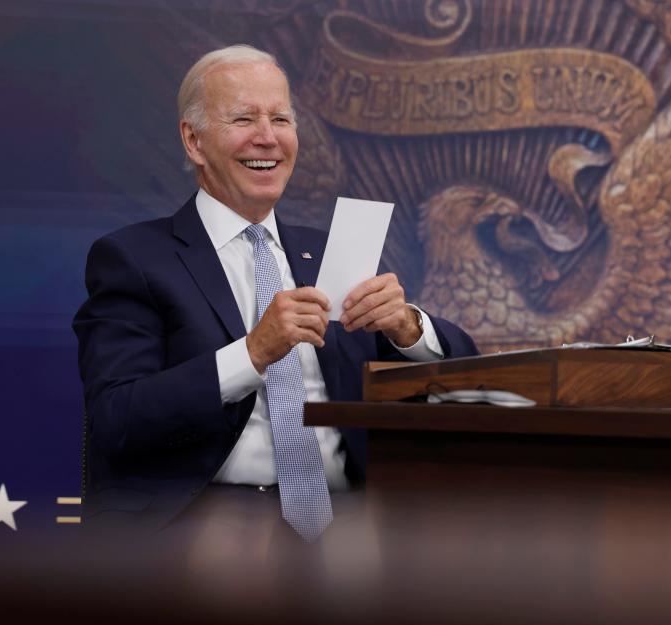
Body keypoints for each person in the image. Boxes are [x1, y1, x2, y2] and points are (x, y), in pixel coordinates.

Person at [72, 45, 478, 539]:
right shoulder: (134, 259)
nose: (267, 138)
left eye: (281, 119)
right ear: (194, 141)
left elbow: (468, 381)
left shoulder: (330, 252)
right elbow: (118, 418)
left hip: (350, 521)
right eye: (244, 118)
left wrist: (409, 329)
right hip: (206, 523)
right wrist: (253, 352)